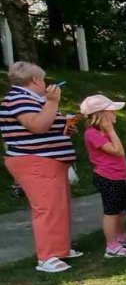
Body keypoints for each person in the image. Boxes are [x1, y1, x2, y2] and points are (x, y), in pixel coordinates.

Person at [0, 62, 79, 272]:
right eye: (43, 79)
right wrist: (53, 102)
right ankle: (47, 257)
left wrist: (65, 129)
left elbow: (47, 126)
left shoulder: (33, 99)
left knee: (59, 206)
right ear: (35, 80)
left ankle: (60, 249)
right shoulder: (18, 99)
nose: (45, 84)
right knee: (47, 208)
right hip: (34, 160)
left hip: (49, 160)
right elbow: (37, 125)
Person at [81, 94, 126, 258]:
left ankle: (121, 236)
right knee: (111, 212)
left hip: (117, 176)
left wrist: (109, 131)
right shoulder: (93, 134)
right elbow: (118, 151)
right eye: (111, 111)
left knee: (121, 209)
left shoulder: (103, 132)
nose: (115, 114)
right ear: (101, 114)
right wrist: (111, 130)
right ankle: (112, 246)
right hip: (107, 177)